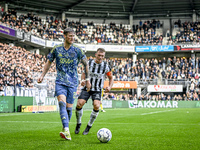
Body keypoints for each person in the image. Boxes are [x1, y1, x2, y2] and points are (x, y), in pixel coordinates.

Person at [37, 28, 91, 141]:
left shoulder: (77, 50)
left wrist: (88, 79)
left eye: (73, 36)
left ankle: (65, 125)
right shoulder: (56, 49)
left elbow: (86, 64)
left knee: (68, 108)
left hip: (73, 82)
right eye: (70, 36)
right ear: (65, 36)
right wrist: (42, 75)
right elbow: (49, 62)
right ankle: (66, 130)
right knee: (61, 103)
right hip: (60, 81)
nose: (72, 38)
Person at [75, 48, 113, 135]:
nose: (100, 57)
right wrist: (82, 80)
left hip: (97, 90)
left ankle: (88, 126)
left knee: (96, 106)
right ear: (96, 54)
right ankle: (78, 123)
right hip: (87, 88)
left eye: (102, 56)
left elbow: (111, 78)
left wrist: (110, 87)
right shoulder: (89, 63)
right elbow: (84, 73)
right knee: (79, 104)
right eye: (99, 55)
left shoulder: (106, 66)